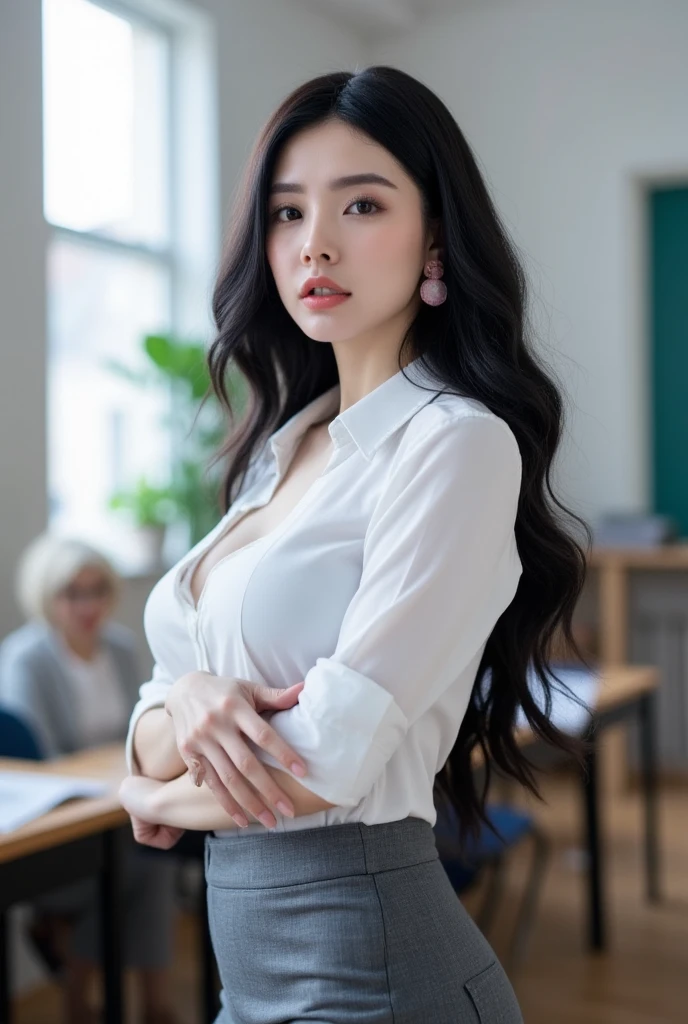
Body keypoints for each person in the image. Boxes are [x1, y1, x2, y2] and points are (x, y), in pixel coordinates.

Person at [118, 66, 590, 1024]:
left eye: (361, 204)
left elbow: (323, 762)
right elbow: (158, 708)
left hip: (373, 977)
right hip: (247, 984)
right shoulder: (283, 453)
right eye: (287, 214)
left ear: (436, 237)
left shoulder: (456, 443)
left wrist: (148, 792)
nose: (314, 244)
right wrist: (194, 703)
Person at [0, 533, 179, 1024]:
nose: (88, 605)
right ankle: (134, 1005)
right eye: (72, 593)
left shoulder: (119, 648)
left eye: (97, 589)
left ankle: (113, 1004)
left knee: (145, 860)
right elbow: (41, 765)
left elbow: (143, 731)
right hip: (65, 823)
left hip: (116, 807)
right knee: (137, 866)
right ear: (47, 597)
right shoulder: (27, 658)